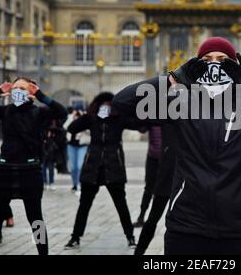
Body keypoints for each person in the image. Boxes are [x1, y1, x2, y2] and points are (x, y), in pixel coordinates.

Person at [113, 36, 241, 255]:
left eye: (222, 59)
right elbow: (122, 103)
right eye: (207, 59)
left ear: (235, 64)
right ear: (197, 65)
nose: (215, 64)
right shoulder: (179, 103)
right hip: (187, 226)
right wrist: (172, 79)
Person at [0, 77, 67, 255]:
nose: (18, 91)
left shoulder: (38, 112)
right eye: (15, 88)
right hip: (5, 171)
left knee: (36, 220)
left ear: (30, 92)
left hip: (30, 171)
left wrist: (40, 95)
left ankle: (43, 253)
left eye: (22, 88)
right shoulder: (5, 110)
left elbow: (62, 112)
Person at [64, 92, 142, 250]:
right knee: (84, 205)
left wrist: (125, 110)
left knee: (121, 205)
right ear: (97, 106)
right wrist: (86, 115)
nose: (105, 108)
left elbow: (139, 124)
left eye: (109, 105)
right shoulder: (91, 119)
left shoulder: (118, 119)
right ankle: (75, 237)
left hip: (113, 167)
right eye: (102, 105)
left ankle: (130, 237)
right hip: (93, 167)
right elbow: (72, 129)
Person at [134, 123, 177, 255]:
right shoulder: (163, 113)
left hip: (182, 174)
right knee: (153, 217)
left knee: (179, 223)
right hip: (165, 170)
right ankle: (139, 251)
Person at [133, 125, 162, 228]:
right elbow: (142, 129)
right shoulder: (152, 114)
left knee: (168, 189)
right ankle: (141, 217)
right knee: (149, 188)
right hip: (153, 157)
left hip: (166, 158)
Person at [63, 107, 90, 193]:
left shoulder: (86, 119)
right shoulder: (71, 119)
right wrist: (72, 116)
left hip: (82, 145)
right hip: (71, 145)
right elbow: (65, 127)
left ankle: (79, 184)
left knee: (79, 166)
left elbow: (90, 131)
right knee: (73, 168)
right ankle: (75, 184)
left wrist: (83, 117)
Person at [41, 120, 62, 190]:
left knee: (50, 166)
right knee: (43, 166)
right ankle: (44, 182)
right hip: (44, 148)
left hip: (52, 149)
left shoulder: (56, 124)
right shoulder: (44, 123)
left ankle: (51, 182)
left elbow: (61, 132)